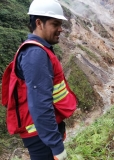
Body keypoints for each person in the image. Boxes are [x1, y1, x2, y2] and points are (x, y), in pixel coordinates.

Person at [1, 0, 77, 160]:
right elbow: (40, 104)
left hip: (43, 133)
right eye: (55, 24)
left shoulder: (39, 50)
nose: (60, 29)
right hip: (41, 137)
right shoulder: (35, 55)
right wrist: (56, 146)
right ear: (39, 23)